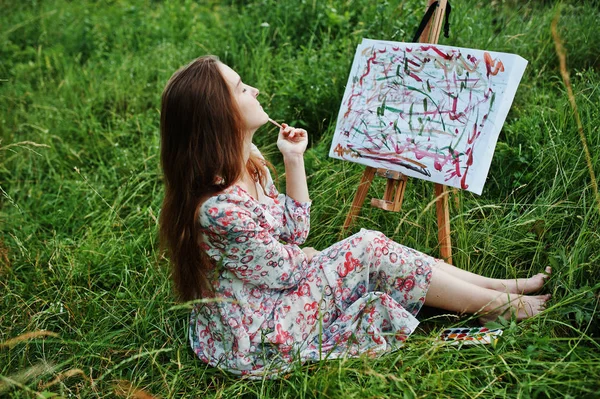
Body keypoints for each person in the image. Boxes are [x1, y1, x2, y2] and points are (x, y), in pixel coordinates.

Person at [159, 55, 551, 378]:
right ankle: (499, 305)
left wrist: (293, 160)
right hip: (256, 335)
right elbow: (286, 271)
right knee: (365, 247)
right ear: (219, 113)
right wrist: (312, 258)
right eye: (242, 88)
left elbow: (294, 232)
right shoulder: (219, 210)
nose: (255, 90)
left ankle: (498, 288)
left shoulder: (251, 161)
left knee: (369, 247)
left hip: (273, 296)